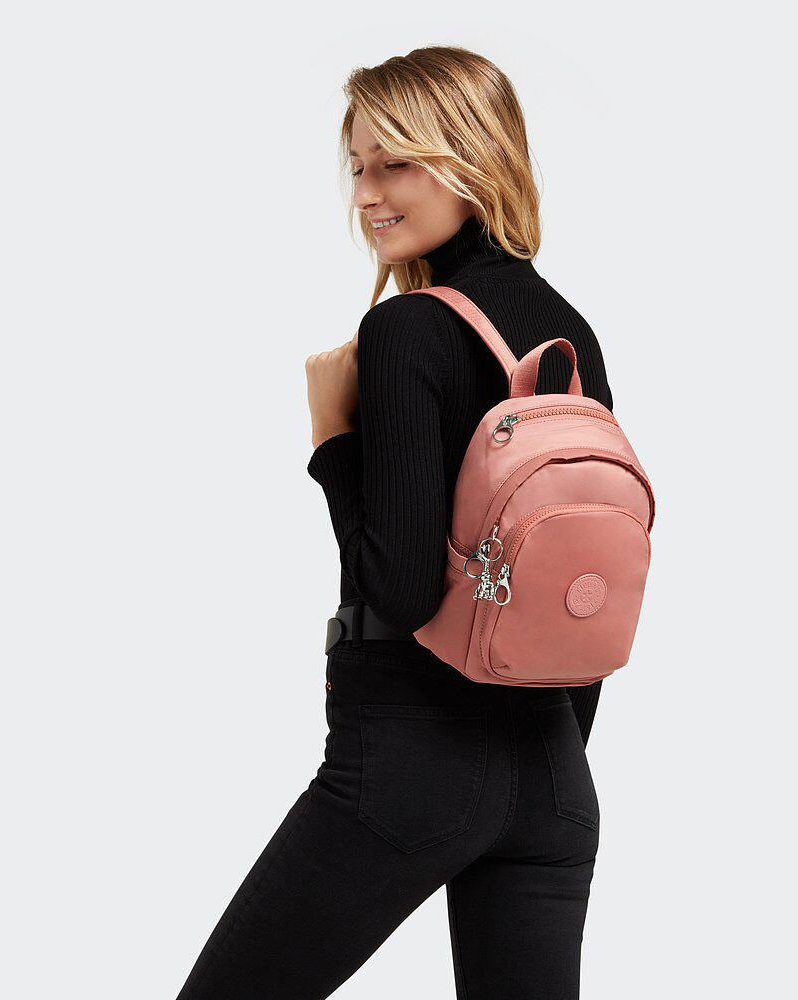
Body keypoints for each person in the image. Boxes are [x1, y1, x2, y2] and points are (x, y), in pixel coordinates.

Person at [175, 46, 615, 1000]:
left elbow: (402, 589)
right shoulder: (566, 332)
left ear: (471, 157)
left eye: (397, 163)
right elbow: (581, 593)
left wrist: (332, 438)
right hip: (555, 779)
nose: (369, 195)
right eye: (359, 167)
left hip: (408, 769)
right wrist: (539, 763)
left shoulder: (407, 330)